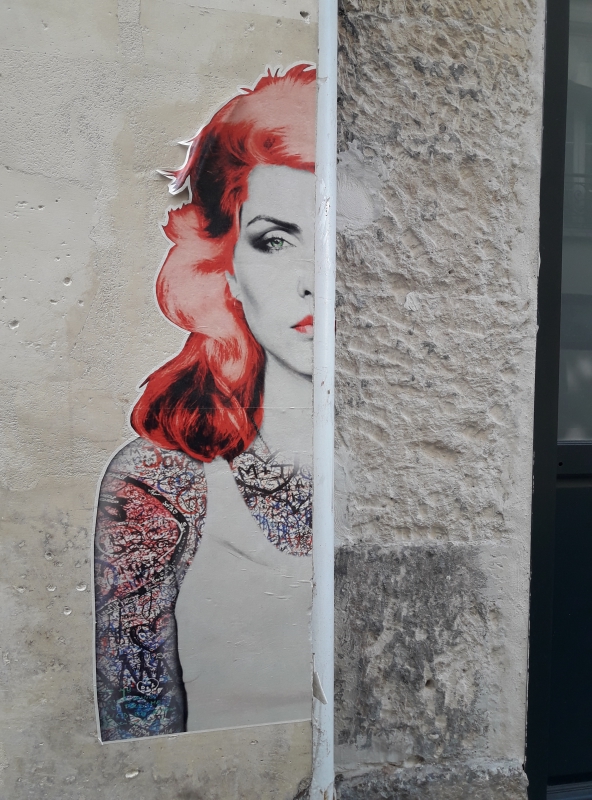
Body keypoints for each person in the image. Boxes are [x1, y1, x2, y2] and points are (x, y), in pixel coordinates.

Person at [94, 64, 316, 741]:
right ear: (227, 266)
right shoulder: (160, 484)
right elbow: (139, 733)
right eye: (276, 240)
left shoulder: (424, 458)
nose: (315, 280)